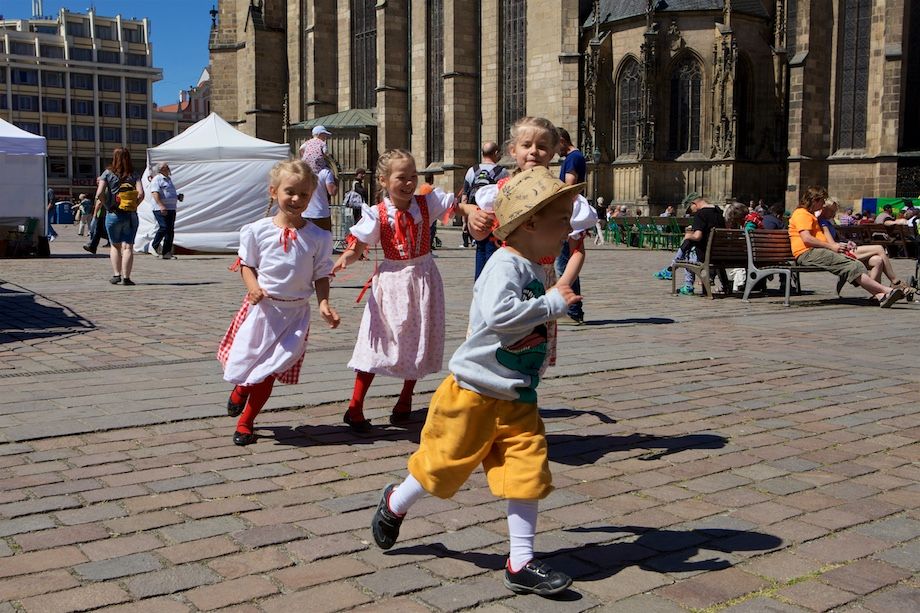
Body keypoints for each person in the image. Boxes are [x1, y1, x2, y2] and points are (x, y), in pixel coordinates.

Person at [370, 167, 582, 597]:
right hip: (473, 392)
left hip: (517, 396)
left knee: (527, 472)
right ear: (530, 223)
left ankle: (520, 561)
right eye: (561, 218)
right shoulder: (506, 265)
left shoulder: (535, 266)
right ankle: (396, 501)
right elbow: (501, 317)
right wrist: (552, 303)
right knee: (441, 467)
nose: (568, 226)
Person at [218, 160, 340, 446]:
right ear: (274, 192)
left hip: (295, 314)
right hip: (263, 310)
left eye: (304, 195)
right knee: (250, 363)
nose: (296, 200)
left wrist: (324, 303)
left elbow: (322, 274)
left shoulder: (318, 236)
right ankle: (240, 390)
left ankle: (246, 421)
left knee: (270, 370)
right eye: (290, 192)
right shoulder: (256, 230)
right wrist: (253, 288)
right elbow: (246, 264)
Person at [333, 149, 455, 432]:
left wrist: (472, 210)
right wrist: (343, 260)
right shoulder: (377, 214)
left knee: (419, 339)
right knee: (378, 342)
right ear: (384, 181)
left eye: (413, 176)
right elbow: (358, 247)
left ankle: (404, 401)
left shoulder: (427, 204)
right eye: (402, 177)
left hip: (424, 277)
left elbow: (457, 206)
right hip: (392, 282)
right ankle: (355, 406)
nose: (410, 182)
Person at [789, 186, 903, 307]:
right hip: (808, 253)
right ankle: (887, 291)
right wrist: (831, 246)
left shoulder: (809, 215)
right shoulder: (802, 214)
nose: (823, 205)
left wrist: (837, 244)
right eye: (822, 201)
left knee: (857, 264)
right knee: (852, 265)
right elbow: (807, 238)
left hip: (817, 251)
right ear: (815, 200)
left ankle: (880, 296)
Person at [818, 199, 911, 295]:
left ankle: (878, 294)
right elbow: (832, 244)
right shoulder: (822, 222)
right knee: (879, 248)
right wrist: (843, 244)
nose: (834, 214)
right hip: (841, 252)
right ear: (824, 209)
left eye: (835, 211)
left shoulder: (827, 222)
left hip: (845, 248)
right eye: (832, 211)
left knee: (877, 260)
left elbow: (838, 238)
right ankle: (895, 281)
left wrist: (848, 241)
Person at [654, 192, 724, 295]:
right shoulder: (718, 212)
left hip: (705, 255)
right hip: (720, 253)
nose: (691, 212)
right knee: (690, 244)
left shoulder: (700, 214)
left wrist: (688, 236)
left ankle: (686, 284)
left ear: (693, 203)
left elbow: (697, 236)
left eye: (690, 209)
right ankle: (670, 269)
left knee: (689, 246)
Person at [459, 141, 509, 276]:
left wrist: (465, 221)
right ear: (496, 153)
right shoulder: (502, 172)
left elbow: (465, 196)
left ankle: (479, 283)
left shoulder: (472, 171)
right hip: (494, 220)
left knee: (480, 249)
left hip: (475, 216)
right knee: (492, 250)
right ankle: (490, 280)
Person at [95, 148, 144, 285]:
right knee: (128, 247)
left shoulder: (107, 173)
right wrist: (134, 206)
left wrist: (107, 206)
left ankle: (116, 275)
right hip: (130, 215)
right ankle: (127, 278)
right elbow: (141, 194)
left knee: (115, 246)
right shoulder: (134, 174)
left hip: (113, 214)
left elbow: (99, 193)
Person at [555, 128, 588, 324]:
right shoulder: (573, 157)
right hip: (570, 212)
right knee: (565, 262)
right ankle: (573, 309)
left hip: (568, 213)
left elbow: (570, 185)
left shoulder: (573, 158)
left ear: (561, 140)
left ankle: (573, 310)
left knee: (564, 263)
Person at [149, 163, 183, 259]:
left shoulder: (168, 179)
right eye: (165, 167)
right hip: (160, 208)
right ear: (161, 169)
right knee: (164, 227)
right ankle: (153, 246)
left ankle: (167, 252)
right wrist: (161, 205)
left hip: (171, 207)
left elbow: (167, 193)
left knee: (170, 230)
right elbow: (155, 193)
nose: (168, 168)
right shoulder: (157, 179)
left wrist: (177, 197)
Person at [304, 161, 337, 232]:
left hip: (304, 212)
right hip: (320, 213)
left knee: (306, 240)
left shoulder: (303, 172)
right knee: (324, 239)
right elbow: (332, 192)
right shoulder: (325, 172)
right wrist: (336, 182)